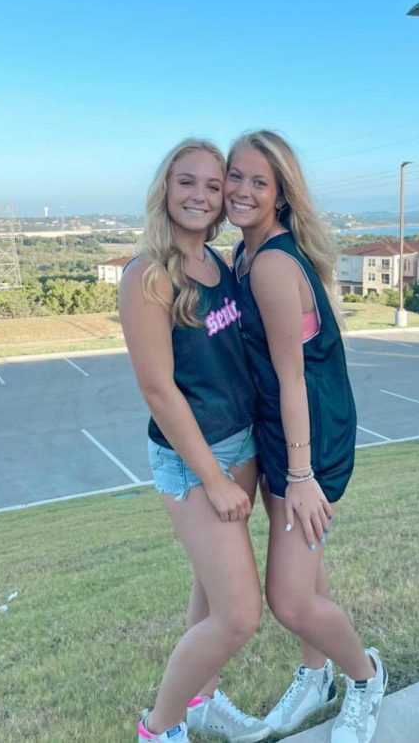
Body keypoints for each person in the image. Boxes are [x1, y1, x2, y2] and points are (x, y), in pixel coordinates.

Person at [225, 130, 388, 743]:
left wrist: (300, 476)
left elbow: (293, 379)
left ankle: (366, 678)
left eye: (257, 181)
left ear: (280, 194)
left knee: (290, 599)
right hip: (281, 429)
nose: (241, 190)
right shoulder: (248, 254)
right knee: (306, 569)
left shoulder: (269, 264)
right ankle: (314, 675)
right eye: (233, 176)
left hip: (310, 440)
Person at [119, 139, 271, 743]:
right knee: (238, 615)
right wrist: (211, 476)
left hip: (242, 444)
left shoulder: (222, 263)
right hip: (194, 463)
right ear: (166, 187)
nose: (201, 196)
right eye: (188, 182)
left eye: (214, 186)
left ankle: (199, 702)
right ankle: (158, 730)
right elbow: (159, 391)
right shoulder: (148, 276)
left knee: (211, 591)